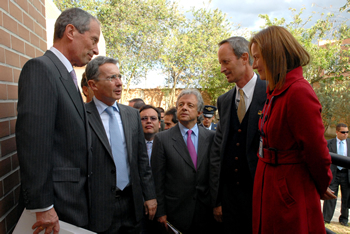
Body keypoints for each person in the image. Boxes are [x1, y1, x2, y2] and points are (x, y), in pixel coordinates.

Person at [16, 8, 100, 234]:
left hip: (74, 203)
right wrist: (43, 205)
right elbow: (33, 141)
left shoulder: (66, 75)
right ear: (70, 31)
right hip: (56, 207)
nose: (96, 49)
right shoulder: (41, 69)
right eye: (93, 40)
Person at [249, 25, 334, 233]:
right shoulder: (276, 90)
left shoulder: (298, 92)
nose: (255, 64)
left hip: (288, 190)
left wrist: (323, 185)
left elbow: (317, 151)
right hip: (269, 185)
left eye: (258, 58)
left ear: (274, 55)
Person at [85, 56, 157, 233]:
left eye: (119, 76)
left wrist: (150, 196)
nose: (119, 83)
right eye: (111, 78)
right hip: (99, 208)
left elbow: (141, 160)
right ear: (93, 85)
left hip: (132, 204)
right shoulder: (81, 115)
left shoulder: (131, 115)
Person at [210, 36, 266, 233]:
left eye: (226, 62)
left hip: (262, 199)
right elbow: (218, 152)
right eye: (221, 63)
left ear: (244, 58)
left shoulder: (271, 93)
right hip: (230, 201)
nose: (222, 69)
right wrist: (218, 199)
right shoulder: (224, 101)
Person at [151, 89, 216, 233]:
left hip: (205, 212)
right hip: (175, 212)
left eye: (190, 105)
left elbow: (215, 174)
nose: (184, 108)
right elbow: (157, 178)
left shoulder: (212, 137)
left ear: (199, 112)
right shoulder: (162, 139)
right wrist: (160, 211)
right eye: (180, 105)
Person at [323, 123, 350, 226]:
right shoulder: (329, 143)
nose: (345, 134)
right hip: (333, 173)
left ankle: (344, 220)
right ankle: (326, 218)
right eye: (343, 132)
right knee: (331, 195)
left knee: (346, 198)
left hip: (346, 174)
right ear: (337, 132)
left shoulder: (349, 143)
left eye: (347, 132)